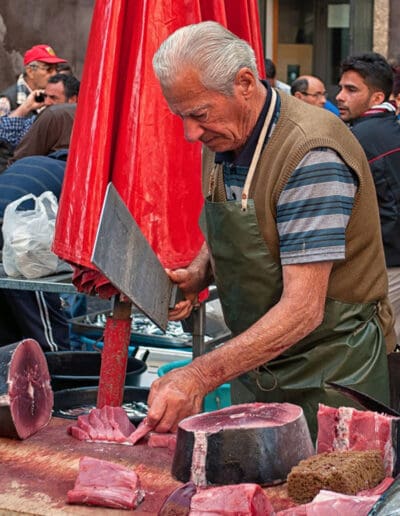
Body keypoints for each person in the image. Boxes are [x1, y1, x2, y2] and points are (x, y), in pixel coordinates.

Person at [146, 21, 394, 439]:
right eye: (181, 116)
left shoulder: (311, 153)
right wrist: (200, 270)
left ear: (245, 82)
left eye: (199, 114)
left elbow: (303, 309)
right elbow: (247, 215)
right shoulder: (227, 135)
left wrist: (199, 375)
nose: (190, 133)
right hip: (258, 364)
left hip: (330, 374)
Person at [336, 52, 400, 343]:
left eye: (351, 90)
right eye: (341, 88)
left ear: (376, 98)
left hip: (384, 266)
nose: (340, 96)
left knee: (383, 354)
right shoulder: (388, 129)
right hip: (388, 260)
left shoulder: (359, 137)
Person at [0, 73, 80, 155]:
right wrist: (26, 107)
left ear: (72, 100)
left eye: (53, 98)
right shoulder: (42, 117)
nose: (46, 102)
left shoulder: (81, 126)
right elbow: (5, 135)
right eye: (45, 96)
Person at [0, 44, 66, 117]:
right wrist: (25, 108)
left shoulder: (54, 95)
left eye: (56, 69)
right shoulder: (6, 101)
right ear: (30, 72)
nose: (54, 74)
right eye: (49, 69)